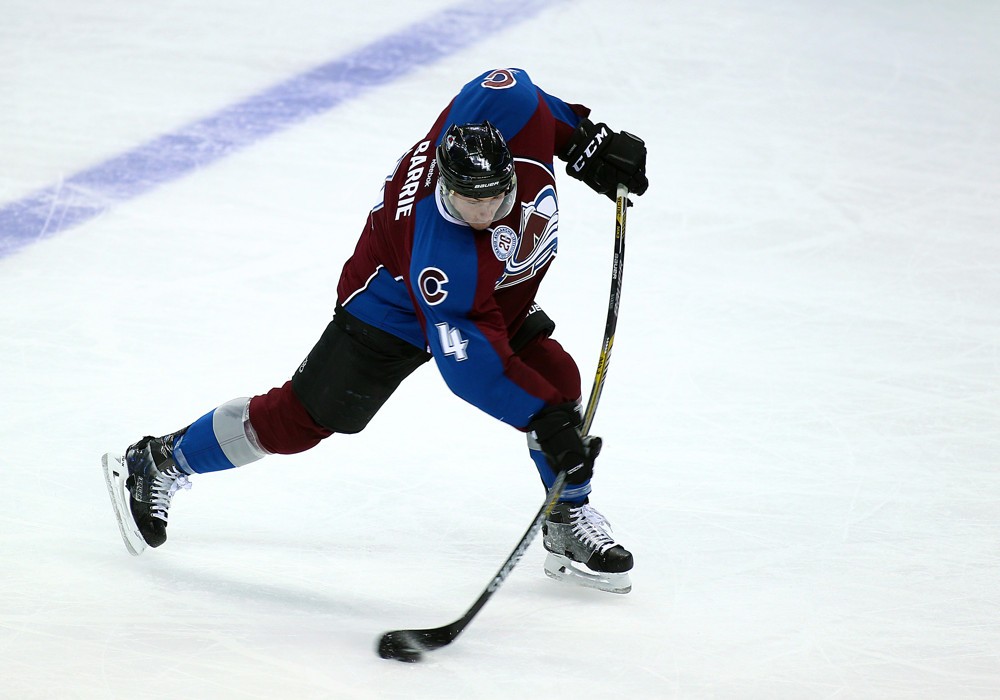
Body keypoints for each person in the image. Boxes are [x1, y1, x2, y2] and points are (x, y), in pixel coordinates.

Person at [102, 67, 648, 595]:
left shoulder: (499, 105)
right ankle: (158, 461)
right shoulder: (444, 259)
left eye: (491, 198)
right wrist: (541, 418)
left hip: (493, 290)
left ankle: (566, 516)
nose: (481, 212)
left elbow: (528, 99)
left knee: (555, 374)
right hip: (391, 303)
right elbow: (472, 366)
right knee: (302, 419)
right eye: (465, 200)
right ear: (445, 185)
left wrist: (583, 140)